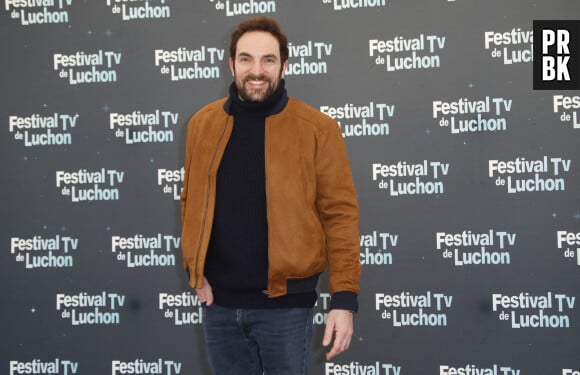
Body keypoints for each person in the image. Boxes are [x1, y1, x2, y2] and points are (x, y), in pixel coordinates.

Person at [180, 16, 361, 375]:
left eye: (268, 60)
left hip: (286, 309)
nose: (256, 71)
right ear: (232, 64)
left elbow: (340, 215)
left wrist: (344, 299)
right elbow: (191, 201)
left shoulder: (317, 129)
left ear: (285, 66)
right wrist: (194, 269)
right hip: (219, 309)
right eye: (246, 59)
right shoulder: (202, 124)